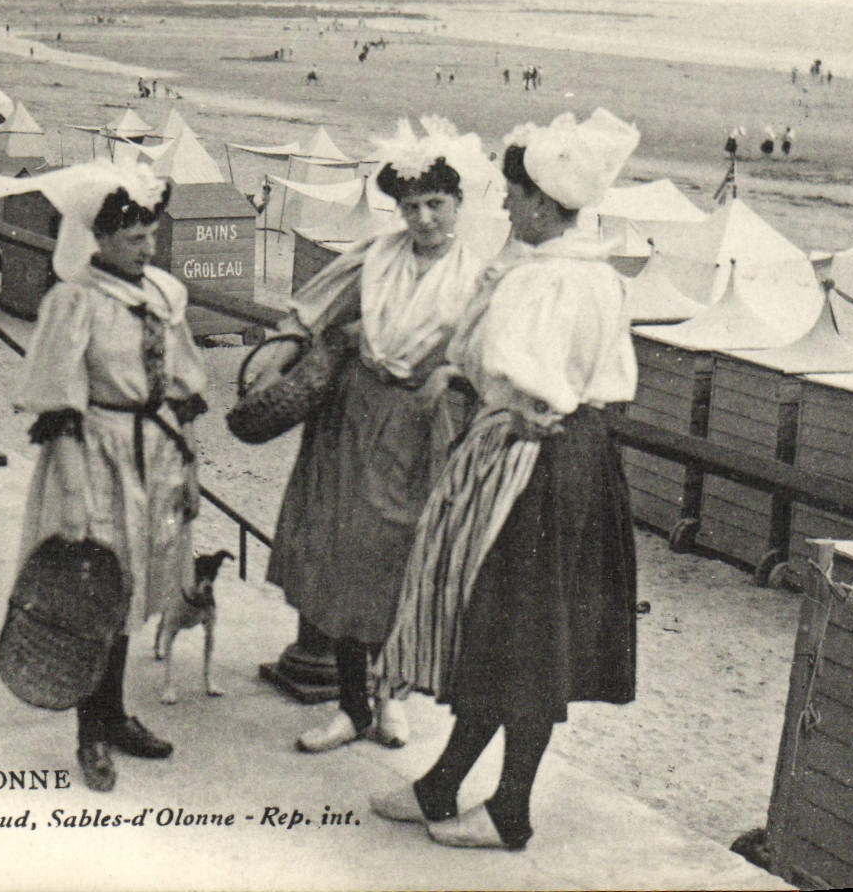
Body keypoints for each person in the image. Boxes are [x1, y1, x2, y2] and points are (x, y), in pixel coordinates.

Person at [371, 108, 641, 851]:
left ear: (546, 205)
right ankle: (441, 783)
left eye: (517, 196)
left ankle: (511, 807)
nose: (507, 206)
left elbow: (509, 369)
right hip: (575, 457)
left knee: (523, 638)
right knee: (503, 633)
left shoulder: (546, 281)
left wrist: (479, 389)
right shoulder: (591, 276)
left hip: (536, 460)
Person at [263, 118, 491, 756]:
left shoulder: (479, 276)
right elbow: (311, 309)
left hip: (423, 429)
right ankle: (349, 704)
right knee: (342, 557)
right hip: (354, 418)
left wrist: (449, 371)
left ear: (459, 204)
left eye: (435, 205)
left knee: (401, 561)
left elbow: (489, 356)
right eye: (411, 206)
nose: (422, 220)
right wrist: (288, 350)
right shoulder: (374, 256)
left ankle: (394, 698)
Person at [0, 161, 208, 794]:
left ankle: (115, 712)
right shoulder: (74, 299)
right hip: (97, 456)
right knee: (94, 591)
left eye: (151, 235)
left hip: (154, 456)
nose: (148, 248)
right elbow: (59, 406)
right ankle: (91, 731)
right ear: (100, 239)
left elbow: (185, 390)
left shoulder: (162, 296)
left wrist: (190, 465)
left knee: (136, 583)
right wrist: (74, 498)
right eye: (134, 239)